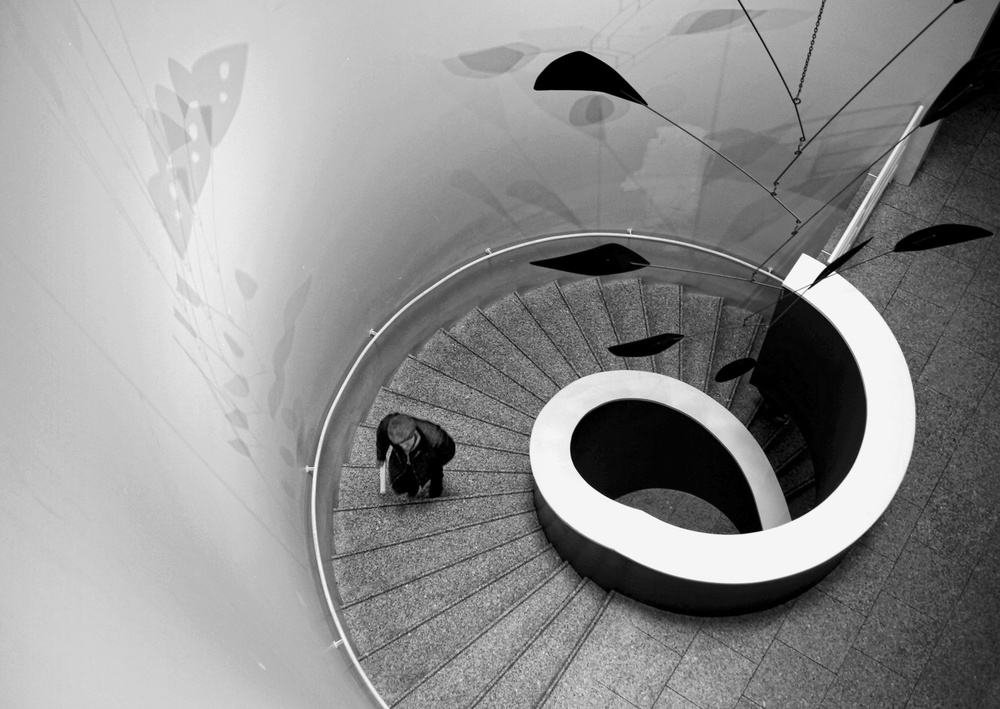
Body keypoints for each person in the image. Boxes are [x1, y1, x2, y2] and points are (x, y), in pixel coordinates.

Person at [375, 412, 455, 498]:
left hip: (428, 456)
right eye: (399, 444)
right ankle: (409, 487)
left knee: (433, 475)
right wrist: (381, 456)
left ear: (414, 433)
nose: (403, 446)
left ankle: (433, 492)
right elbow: (381, 437)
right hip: (402, 457)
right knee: (399, 485)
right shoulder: (388, 426)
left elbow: (443, 458)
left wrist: (429, 467)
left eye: (406, 443)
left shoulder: (438, 442)